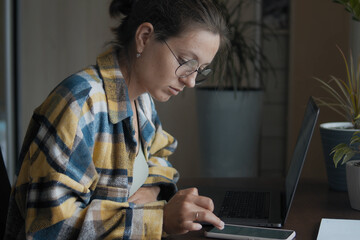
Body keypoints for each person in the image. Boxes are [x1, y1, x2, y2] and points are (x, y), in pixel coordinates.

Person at [4, 0, 229, 239]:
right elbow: (50, 228)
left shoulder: (142, 100)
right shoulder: (80, 104)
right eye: (186, 62)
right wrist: (157, 219)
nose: (191, 81)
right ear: (144, 37)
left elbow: (160, 156)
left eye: (201, 70)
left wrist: (151, 190)